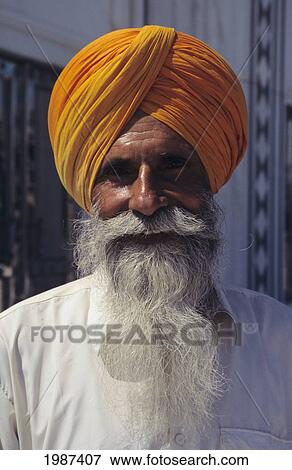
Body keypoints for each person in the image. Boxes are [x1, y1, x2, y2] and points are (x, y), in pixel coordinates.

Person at [0, 25, 292, 450]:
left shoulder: (281, 341)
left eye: (174, 166)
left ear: (210, 179)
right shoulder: (17, 348)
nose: (146, 200)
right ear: (88, 193)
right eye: (117, 174)